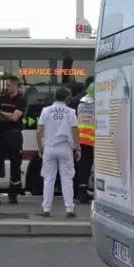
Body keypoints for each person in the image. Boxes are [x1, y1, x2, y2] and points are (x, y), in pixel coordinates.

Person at [36, 86, 81, 218]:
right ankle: (69, 209)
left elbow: (39, 131)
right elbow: (75, 130)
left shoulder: (46, 111)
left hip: (49, 147)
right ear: (67, 98)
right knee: (67, 179)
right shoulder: (70, 112)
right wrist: (78, 147)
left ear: (55, 96)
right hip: (65, 147)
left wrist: (40, 147)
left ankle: (46, 209)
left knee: (48, 178)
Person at [0, 74, 28, 204]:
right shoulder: (1, 98)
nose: (6, 88)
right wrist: (7, 115)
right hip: (1, 134)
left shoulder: (21, 100)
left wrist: (1, 113)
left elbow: (15, 118)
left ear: (15, 85)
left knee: (16, 164)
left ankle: (13, 194)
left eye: (8, 85)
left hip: (15, 135)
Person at [74, 80, 96, 204]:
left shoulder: (81, 104)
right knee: (91, 168)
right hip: (93, 140)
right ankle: (85, 193)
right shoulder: (97, 105)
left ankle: (81, 192)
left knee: (84, 167)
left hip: (82, 139)